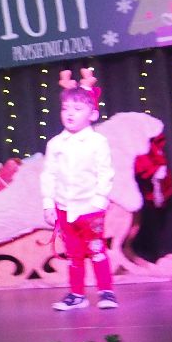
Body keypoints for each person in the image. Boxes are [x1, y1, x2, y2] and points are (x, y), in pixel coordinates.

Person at [40, 68, 117, 311]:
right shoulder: (55, 144)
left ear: (92, 114)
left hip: (90, 208)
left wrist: (99, 200)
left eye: (77, 108)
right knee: (73, 254)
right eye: (66, 109)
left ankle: (106, 291)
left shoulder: (97, 142)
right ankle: (77, 294)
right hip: (65, 207)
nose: (70, 113)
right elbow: (49, 174)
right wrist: (48, 203)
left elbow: (105, 172)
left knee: (96, 250)